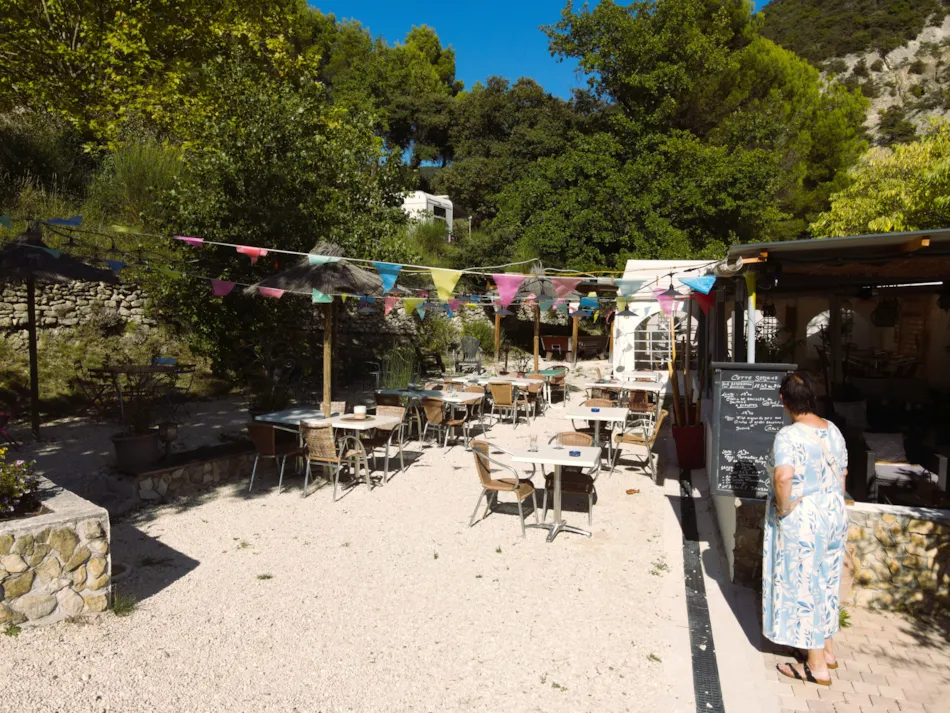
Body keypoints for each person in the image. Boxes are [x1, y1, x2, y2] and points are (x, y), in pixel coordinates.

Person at [763, 372, 849, 686]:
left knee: (806, 588)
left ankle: (815, 666)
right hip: (833, 511)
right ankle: (827, 651)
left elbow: (784, 478)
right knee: (826, 581)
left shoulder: (789, 435)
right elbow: (843, 474)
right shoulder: (834, 430)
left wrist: (784, 509)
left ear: (784, 402)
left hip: (806, 517)